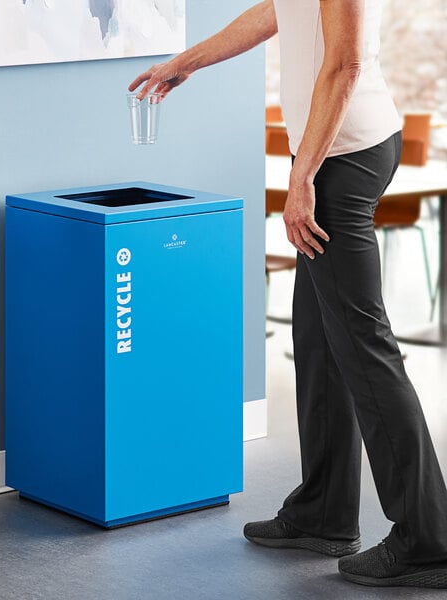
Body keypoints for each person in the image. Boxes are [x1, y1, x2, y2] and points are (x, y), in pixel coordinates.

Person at [129, 0, 447, 589]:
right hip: (326, 153)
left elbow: (347, 63)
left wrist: (302, 178)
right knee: (320, 337)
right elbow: (279, 9)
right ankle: (322, 514)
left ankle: (428, 541)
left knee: (363, 346)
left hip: (343, 157)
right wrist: (188, 62)